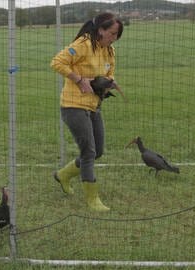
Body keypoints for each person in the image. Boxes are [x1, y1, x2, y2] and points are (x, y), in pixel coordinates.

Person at [50, 12, 124, 211]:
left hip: (94, 105)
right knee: (89, 151)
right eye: (111, 33)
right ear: (100, 30)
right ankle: (93, 200)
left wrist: (109, 82)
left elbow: (108, 72)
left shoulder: (110, 51)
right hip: (73, 105)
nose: (114, 38)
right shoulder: (82, 44)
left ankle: (63, 175)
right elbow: (57, 62)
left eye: (117, 35)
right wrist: (79, 79)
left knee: (98, 150)